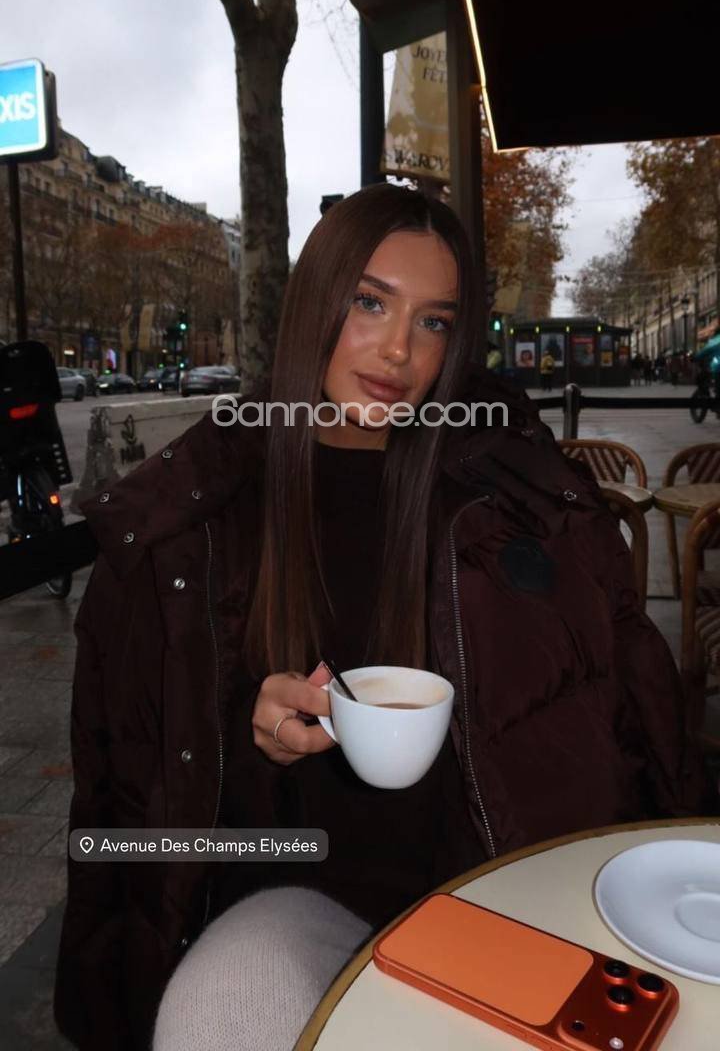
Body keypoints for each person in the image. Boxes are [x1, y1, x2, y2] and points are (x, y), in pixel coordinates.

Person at [54, 185, 716, 1051]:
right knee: (215, 1013)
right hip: (306, 894)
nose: (400, 349)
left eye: (434, 321)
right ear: (313, 302)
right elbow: (135, 793)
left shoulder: (517, 501)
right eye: (370, 302)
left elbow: (634, 721)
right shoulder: (197, 525)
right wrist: (251, 735)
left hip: (502, 894)